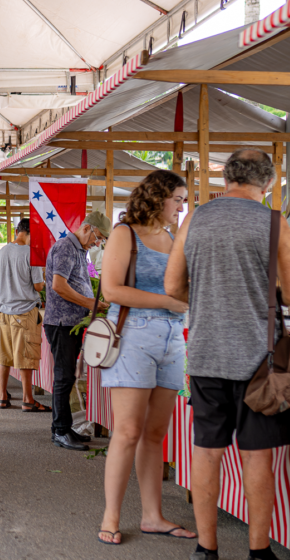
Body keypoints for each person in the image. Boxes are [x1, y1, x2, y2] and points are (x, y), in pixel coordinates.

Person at [165, 149, 290, 560]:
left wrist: (210, 298)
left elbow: (173, 287)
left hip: (206, 352)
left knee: (207, 452)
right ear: (267, 183)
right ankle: (259, 552)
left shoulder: (194, 218)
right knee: (256, 456)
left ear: (226, 179)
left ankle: (206, 549)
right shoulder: (273, 222)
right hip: (260, 360)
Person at [96, 170, 195, 546]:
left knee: (155, 433)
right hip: (134, 335)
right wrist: (169, 301)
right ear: (157, 197)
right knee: (127, 431)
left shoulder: (173, 238)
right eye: (177, 199)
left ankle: (153, 516)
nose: (181, 207)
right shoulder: (126, 233)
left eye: (183, 201)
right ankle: (111, 516)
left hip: (172, 338)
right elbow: (111, 290)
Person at [44, 210, 111, 451]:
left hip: (70, 323)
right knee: (64, 377)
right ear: (87, 228)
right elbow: (59, 286)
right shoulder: (65, 247)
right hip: (62, 323)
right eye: (99, 237)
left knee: (68, 375)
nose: (98, 242)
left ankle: (63, 426)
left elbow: (81, 281)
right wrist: (91, 304)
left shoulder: (79, 250)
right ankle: (60, 431)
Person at [0, 218, 46, 411]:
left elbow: (0, 282)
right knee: (26, 356)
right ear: (29, 233)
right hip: (24, 312)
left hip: (5, 312)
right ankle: (27, 399)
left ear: (18, 231)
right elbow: (38, 286)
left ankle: (2, 397)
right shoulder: (31, 253)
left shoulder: (2, 252)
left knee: (4, 356)